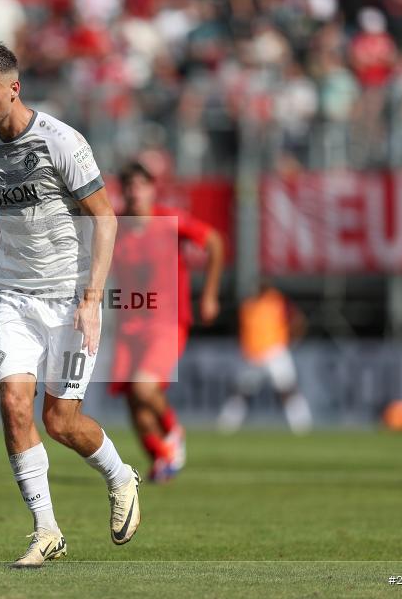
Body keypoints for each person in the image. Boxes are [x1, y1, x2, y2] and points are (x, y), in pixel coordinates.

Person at [0, 43, 140, 568]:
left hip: (70, 297)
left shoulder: (62, 142)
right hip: (12, 295)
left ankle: (121, 476)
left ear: (14, 88)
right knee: (12, 405)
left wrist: (93, 299)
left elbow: (106, 218)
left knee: (60, 421)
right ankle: (46, 529)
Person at [110, 162, 224, 482]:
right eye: (128, 186)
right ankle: (162, 457)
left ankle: (175, 432)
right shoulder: (115, 225)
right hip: (128, 324)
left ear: (151, 189)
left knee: (144, 388)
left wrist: (210, 295)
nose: (134, 193)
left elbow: (214, 241)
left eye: (140, 186)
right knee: (133, 401)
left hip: (167, 321)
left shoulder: (169, 221)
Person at [217, 281, 313, 434]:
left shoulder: (276, 301)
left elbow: (298, 321)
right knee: (242, 393)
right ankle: (226, 426)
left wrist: (291, 340)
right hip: (254, 355)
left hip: (273, 351)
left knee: (287, 390)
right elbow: (241, 330)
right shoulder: (248, 305)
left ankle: (302, 425)